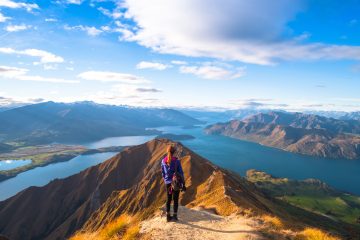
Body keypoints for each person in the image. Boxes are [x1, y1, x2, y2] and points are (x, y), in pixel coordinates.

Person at [161, 145, 186, 222]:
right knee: (175, 199)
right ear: (174, 152)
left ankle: (168, 217)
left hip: (167, 183)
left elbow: (163, 173)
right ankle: (175, 216)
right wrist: (183, 183)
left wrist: (166, 179)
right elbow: (181, 173)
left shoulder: (163, 161)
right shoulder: (177, 161)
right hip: (175, 183)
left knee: (168, 199)